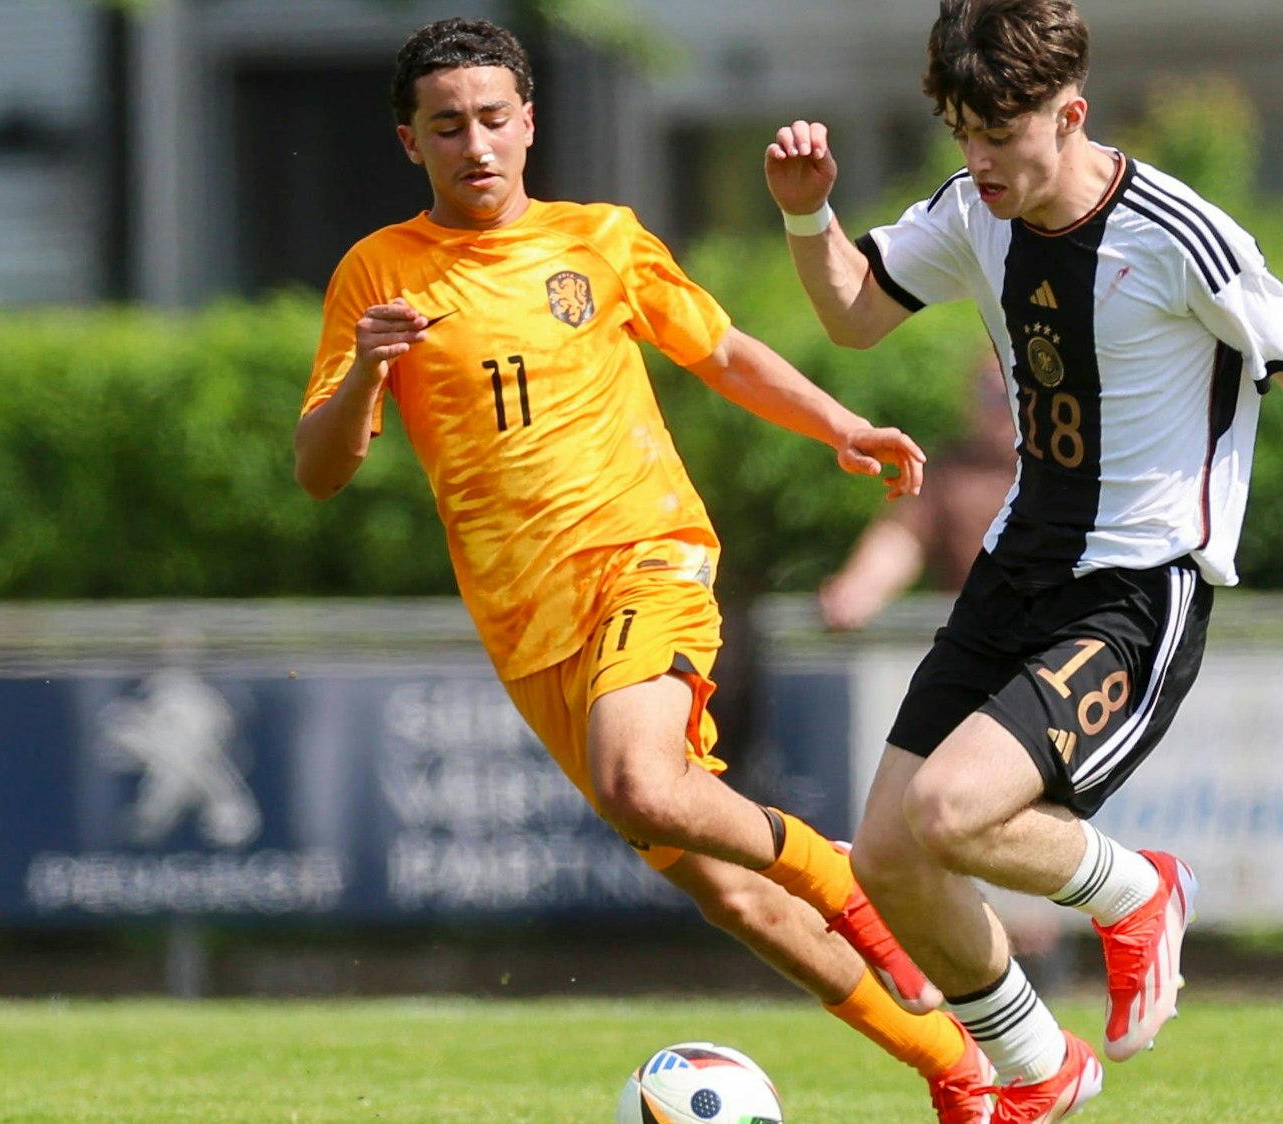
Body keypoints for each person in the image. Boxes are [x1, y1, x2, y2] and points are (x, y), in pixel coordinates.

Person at [294, 19, 995, 1123]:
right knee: (727, 890)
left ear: (528, 124)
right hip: (528, 629)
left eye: (491, 119)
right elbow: (321, 469)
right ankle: (960, 1069)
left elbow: (716, 349)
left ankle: (838, 873)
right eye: (446, 126)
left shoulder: (601, 239)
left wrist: (839, 424)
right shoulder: (376, 274)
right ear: (409, 140)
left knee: (640, 782)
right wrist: (364, 379)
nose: (473, 144)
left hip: (645, 555)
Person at [764, 1, 1283, 1119]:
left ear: (1069, 113)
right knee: (886, 850)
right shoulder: (970, 211)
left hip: (1135, 589)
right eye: (962, 134)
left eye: (1002, 134)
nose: (979, 160)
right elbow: (850, 314)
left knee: (950, 810)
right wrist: (807, 216)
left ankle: (1138, 887)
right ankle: (1040, 1069)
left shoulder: (1181, 235)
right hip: (1017, 564)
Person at [818, 355, 1017, 632]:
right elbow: (904, 537)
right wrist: (860, 588)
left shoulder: (1076, 469)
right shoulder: (951, 472)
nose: (1000, 405)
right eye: (989, 390)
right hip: (983, 642)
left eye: (1012, 391)